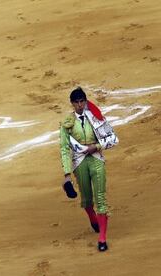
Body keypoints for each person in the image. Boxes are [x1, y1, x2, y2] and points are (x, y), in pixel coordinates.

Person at [59, 87, 117, 252]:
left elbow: (113, 139)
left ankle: (102, 238)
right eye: (76, 102)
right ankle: (93, 218)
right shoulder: (67, 124)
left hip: (96, 158)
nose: (79, 105)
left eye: (81, 101)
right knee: (86, 198)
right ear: (72, 104)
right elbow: (64, 149)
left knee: (100, 198)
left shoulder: (96, 117)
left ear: (85, 101)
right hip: (79, 162)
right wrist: (67, 175)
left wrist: (96, 146)